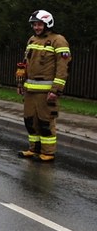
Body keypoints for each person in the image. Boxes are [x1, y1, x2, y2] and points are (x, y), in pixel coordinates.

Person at [16, 10, 71, 162]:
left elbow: (62, 68)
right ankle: (33, 149)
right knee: (30, 121)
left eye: (39, 24)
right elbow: (25, 63)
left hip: (46, 92)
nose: (36, 27)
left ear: (48, 24)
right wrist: (20, 83)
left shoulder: (58, 41)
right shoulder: (32, 40)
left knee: (45, 122)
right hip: (30, 90)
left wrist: (56, 90)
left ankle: (48, 152)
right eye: (34, 25)